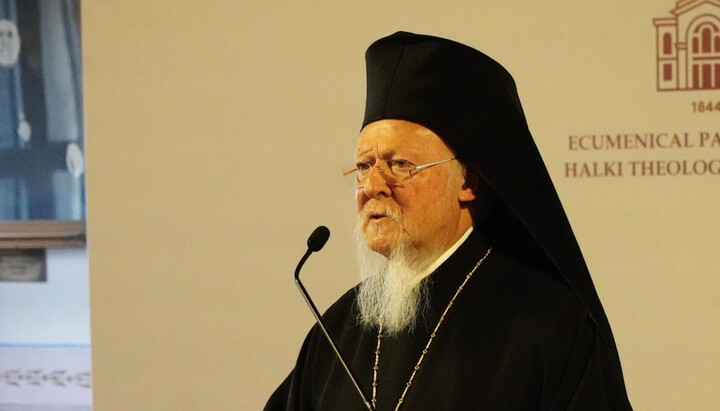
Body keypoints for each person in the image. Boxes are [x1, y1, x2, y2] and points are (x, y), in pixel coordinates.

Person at [266, 31, 633, 410]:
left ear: (469, 182)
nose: (372, 185)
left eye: (399, 165)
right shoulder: (335, 334)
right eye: (363, 166)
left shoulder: (548, 326)